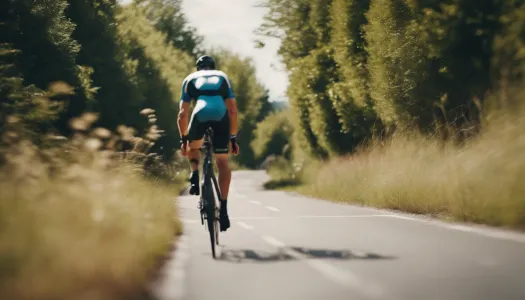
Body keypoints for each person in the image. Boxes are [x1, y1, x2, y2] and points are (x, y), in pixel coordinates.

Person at [177, 55, 239, 232]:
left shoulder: (189, 79)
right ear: (213, 66)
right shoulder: (222, 77)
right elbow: (233, 111)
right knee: (222, 162)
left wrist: (184, 140)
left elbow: (182, 114)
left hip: (199, 115)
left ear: (198, 69)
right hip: (221, 116)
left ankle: (195, 175)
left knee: (193, 146)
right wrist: (233, 137)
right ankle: (224, 210)